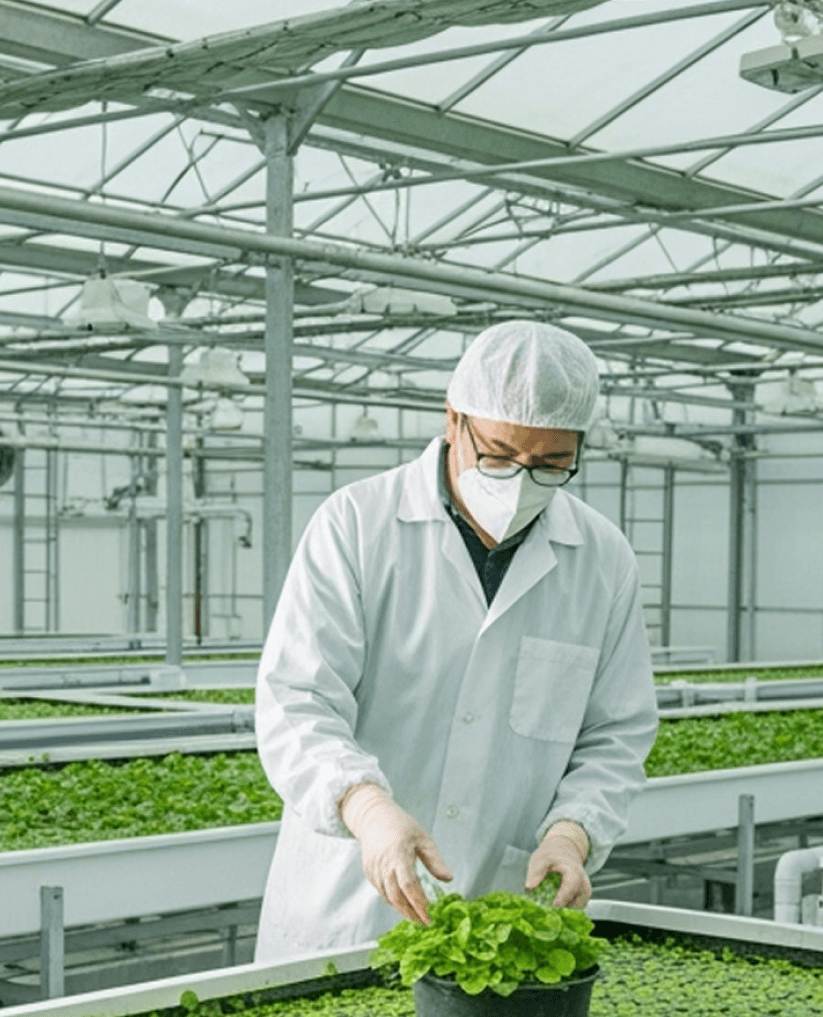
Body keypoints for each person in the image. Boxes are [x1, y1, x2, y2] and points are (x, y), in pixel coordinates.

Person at [253, 319, 659, 961]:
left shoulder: (602, 559)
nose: (521, 480)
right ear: (453, 420)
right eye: (498, 454)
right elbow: (296, 699)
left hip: (501, 916)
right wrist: (367, 810)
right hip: (348, 910)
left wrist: (573, 832)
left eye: (552, 464)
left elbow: (616, 732)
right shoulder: (357, 525)